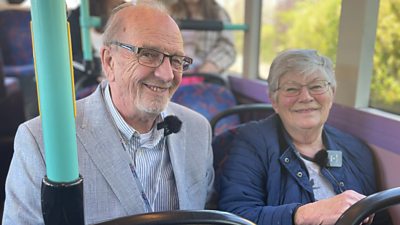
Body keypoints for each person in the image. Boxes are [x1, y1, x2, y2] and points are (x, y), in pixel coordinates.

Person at [2, 1, 214, 224]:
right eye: (149, 54)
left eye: (176, 60)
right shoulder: (39, 140)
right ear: (109, 61)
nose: (167, 74)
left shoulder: (198, 129)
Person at [217, 49, 392, 225]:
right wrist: (304, 214)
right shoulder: (249, 142)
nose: (306, 97)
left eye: (316, 86)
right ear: (274, 100)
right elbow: (236, 216)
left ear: (332, 93)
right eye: (292, 89)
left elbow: (379, 217)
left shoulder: (356, 150)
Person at [166, 0, 236, 75]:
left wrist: (209, 68)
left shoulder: (218, 13)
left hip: (207, 71)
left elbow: (227, 48)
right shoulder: (172, 12)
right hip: (178, 68)